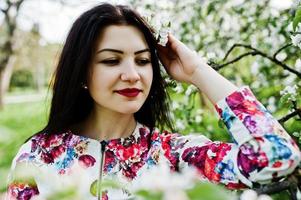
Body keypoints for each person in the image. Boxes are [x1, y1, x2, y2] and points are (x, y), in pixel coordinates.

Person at [5, 3, 301, 200]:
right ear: (82, 72)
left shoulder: (174, 156)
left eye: (143, 60)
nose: (132, 75)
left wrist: (197, 71)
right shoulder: (37, 157)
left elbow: (278, 156)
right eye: (111, 61)